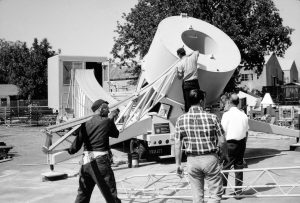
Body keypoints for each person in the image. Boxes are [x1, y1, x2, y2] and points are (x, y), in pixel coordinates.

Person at [174, 89, 228, 203]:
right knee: (215, 195)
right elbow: (222, 141)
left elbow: (178, 144)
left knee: (197, 197)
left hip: (192, 161)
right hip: (210, 159)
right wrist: (224, 155)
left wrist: (178, 164)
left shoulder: (180, 120)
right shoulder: (213, 118)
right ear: (201, 101)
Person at [67, 99, 121, 203]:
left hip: (86, 163)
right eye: (107, 109)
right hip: (101, 162)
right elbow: (116, 134)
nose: (109, 111)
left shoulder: (85, 124)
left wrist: (69, 151)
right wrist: (113, 117)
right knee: (110, 195)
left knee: (83, 195)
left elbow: (74, 148)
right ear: (101, 109)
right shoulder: (106, 121)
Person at [221, 94, 249, 196]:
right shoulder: (243, 115)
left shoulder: (226, 115)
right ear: (239, 102)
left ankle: (223, 191)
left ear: (229, 102)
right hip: (241, 143)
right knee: (239, 167)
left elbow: (222, 132)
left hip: (230, 144)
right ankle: (238, 192)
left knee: (225, 168)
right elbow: (246, 132)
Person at [176, 47, 201, 112]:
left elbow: (180, 77)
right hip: (195, 83)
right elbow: (197, 50)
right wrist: (189, 55)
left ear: (179, 55)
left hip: (187, 84)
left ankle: (188, 115)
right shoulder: (193, 57)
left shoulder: (180, 63)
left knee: (188, 102)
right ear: (185, 52)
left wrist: (177, 72)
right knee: (196, 100)